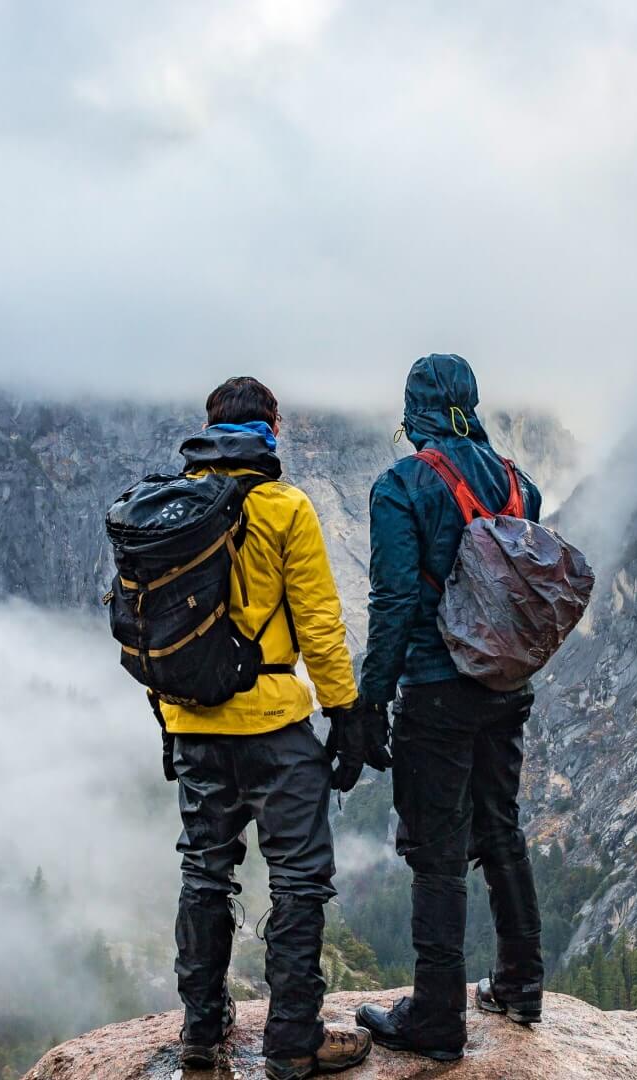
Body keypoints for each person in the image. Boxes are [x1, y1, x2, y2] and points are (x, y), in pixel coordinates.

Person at [160, 377, 387, 1079]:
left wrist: (169, 719)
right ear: (271, 429)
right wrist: (345, 715)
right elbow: (319, 624)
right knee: (298, 879)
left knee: (205, 872)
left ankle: (201, 1031)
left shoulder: (170, 509)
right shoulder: (285, 507)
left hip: (191, 722)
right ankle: (293, 1041)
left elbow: (152, 629)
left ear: (209, 429)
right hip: (273, 725)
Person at [353, 355, 546, 1062]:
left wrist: (370, 701)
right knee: (500, 828)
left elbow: (395, 602)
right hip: (505, 686)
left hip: (436, 691)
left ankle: (437, 1019)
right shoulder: (521, 486)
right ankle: (521, 985)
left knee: (436, 854)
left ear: (416, 412)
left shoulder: (401, 486)